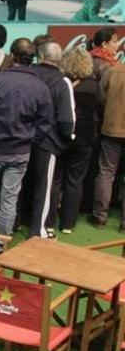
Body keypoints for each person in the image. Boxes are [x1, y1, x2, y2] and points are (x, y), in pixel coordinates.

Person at [0, 39, 53, 254]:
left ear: (12, 55)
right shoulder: (40, 86)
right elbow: (45, 122)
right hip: (19, 151)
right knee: (9, 199)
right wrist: (30, 140)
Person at [26, 42, 75, 239]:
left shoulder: (28, 74)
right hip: (48, 141)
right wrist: (68, 138)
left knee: (19, 184)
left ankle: (11, 224)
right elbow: (66, 118)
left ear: (40, 56)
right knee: (43, 187)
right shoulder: (62, 82)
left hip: (22, 138)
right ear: (60, 59)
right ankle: (38, 229)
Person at [59, 47, 100, 234]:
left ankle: (49, 218)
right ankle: (68, 223)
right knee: (75, 181)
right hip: (85, 139)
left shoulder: (63, 84)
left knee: (56, 179)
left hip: (63, 136)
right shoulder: (93, 86)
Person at [92, 56, 125, 229]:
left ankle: (100, 216)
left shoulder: (113, 71)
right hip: (113, 130)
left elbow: (100, 99)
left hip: (111, 129)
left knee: (106, 173)